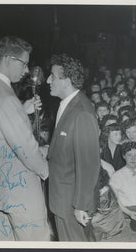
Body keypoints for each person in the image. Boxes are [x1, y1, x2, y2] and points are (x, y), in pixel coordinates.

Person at [0, 36, 50, 241]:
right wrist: (46, 170)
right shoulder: (6, 98)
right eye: (24, 64)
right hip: (20, 192)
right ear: (8, 59)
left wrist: (22, 111)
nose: (25, 71)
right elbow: (27, 150)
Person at [46, 53, 100, 241]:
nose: (47, 80)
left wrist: (81, 205)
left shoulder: (81, 112)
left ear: (66, 80)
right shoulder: (68, 105)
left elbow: (89, 164)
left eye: (52, 76)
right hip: (64, 197)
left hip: (71, 201)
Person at [109, 142, 136, 221]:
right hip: (124, 213)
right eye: (129, 155)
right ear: (124, 156)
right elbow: (115, 201)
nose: (133, 159)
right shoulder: (116, 176)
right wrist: (129, 213)